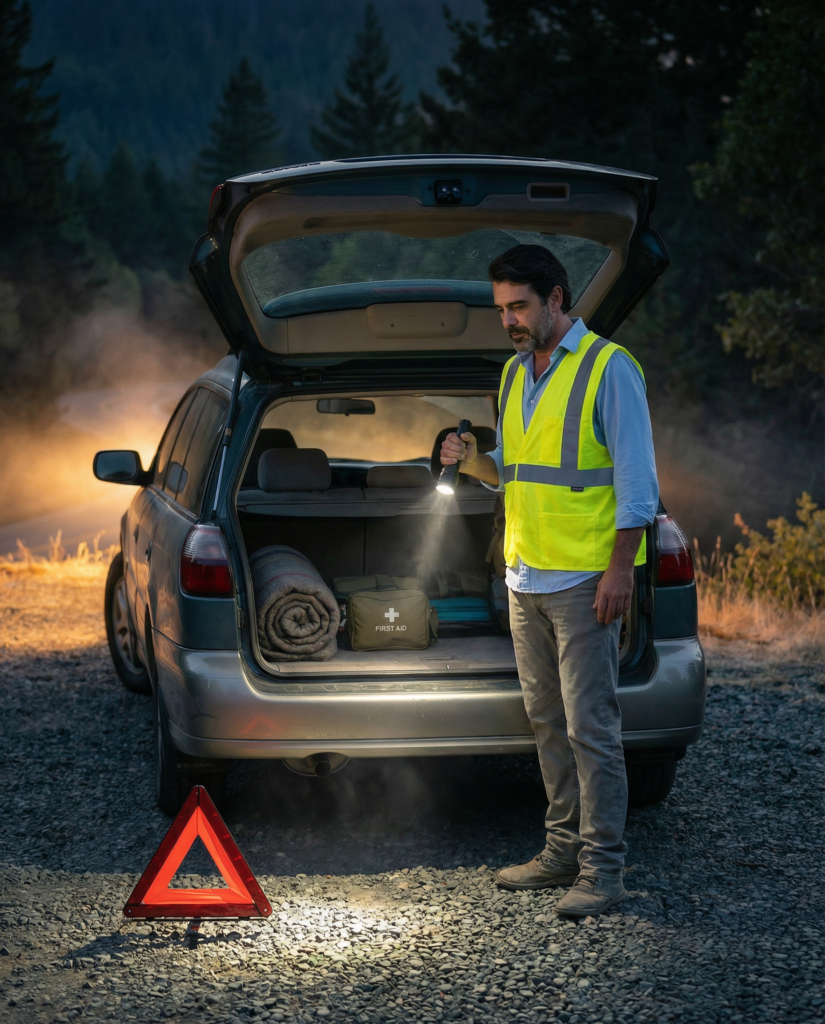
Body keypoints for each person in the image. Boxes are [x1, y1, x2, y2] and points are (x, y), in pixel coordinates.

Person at [440, 244, 658, 918]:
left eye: (519, 306)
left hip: (584, 580)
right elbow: (518, 469)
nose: (508, 318)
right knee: (544, 721)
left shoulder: (607, 369)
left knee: (591, 726)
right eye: (500, 308)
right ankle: (560, 851)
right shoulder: (512, 374)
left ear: (556, 298)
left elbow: (636, 486)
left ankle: (603, 872)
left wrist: (618, 571)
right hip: (524, 575)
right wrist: (471, 459)